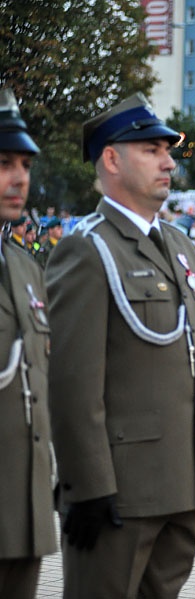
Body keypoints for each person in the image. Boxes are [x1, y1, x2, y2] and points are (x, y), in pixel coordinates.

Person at [45, 93, 195, 598]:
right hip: (121, 491)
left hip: (183, 485)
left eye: (167, 150)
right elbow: (73, 382)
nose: (168, 161)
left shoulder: (182, 245)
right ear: (112, 159)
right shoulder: (87, 248)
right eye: (151, 149)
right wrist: (88, 484)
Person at [0, 88, 56, 599]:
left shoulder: (23, 267)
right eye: (3, 163)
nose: (19, 178)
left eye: (24, 164)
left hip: (24, 508)